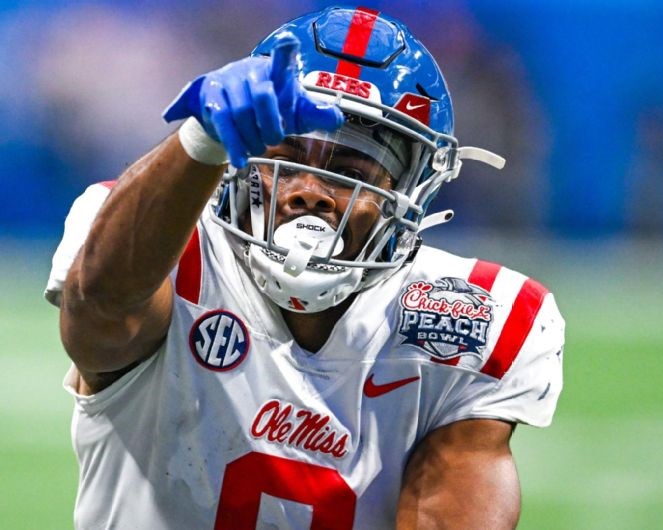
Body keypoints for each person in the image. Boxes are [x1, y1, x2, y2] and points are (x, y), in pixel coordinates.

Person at [44, 6, 564, 529]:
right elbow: (100, 315)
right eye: (286, 158)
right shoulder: (159, 248)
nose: (309, 191)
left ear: (408, 193)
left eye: (349, 171)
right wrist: (197, 141)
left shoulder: (460, 314)